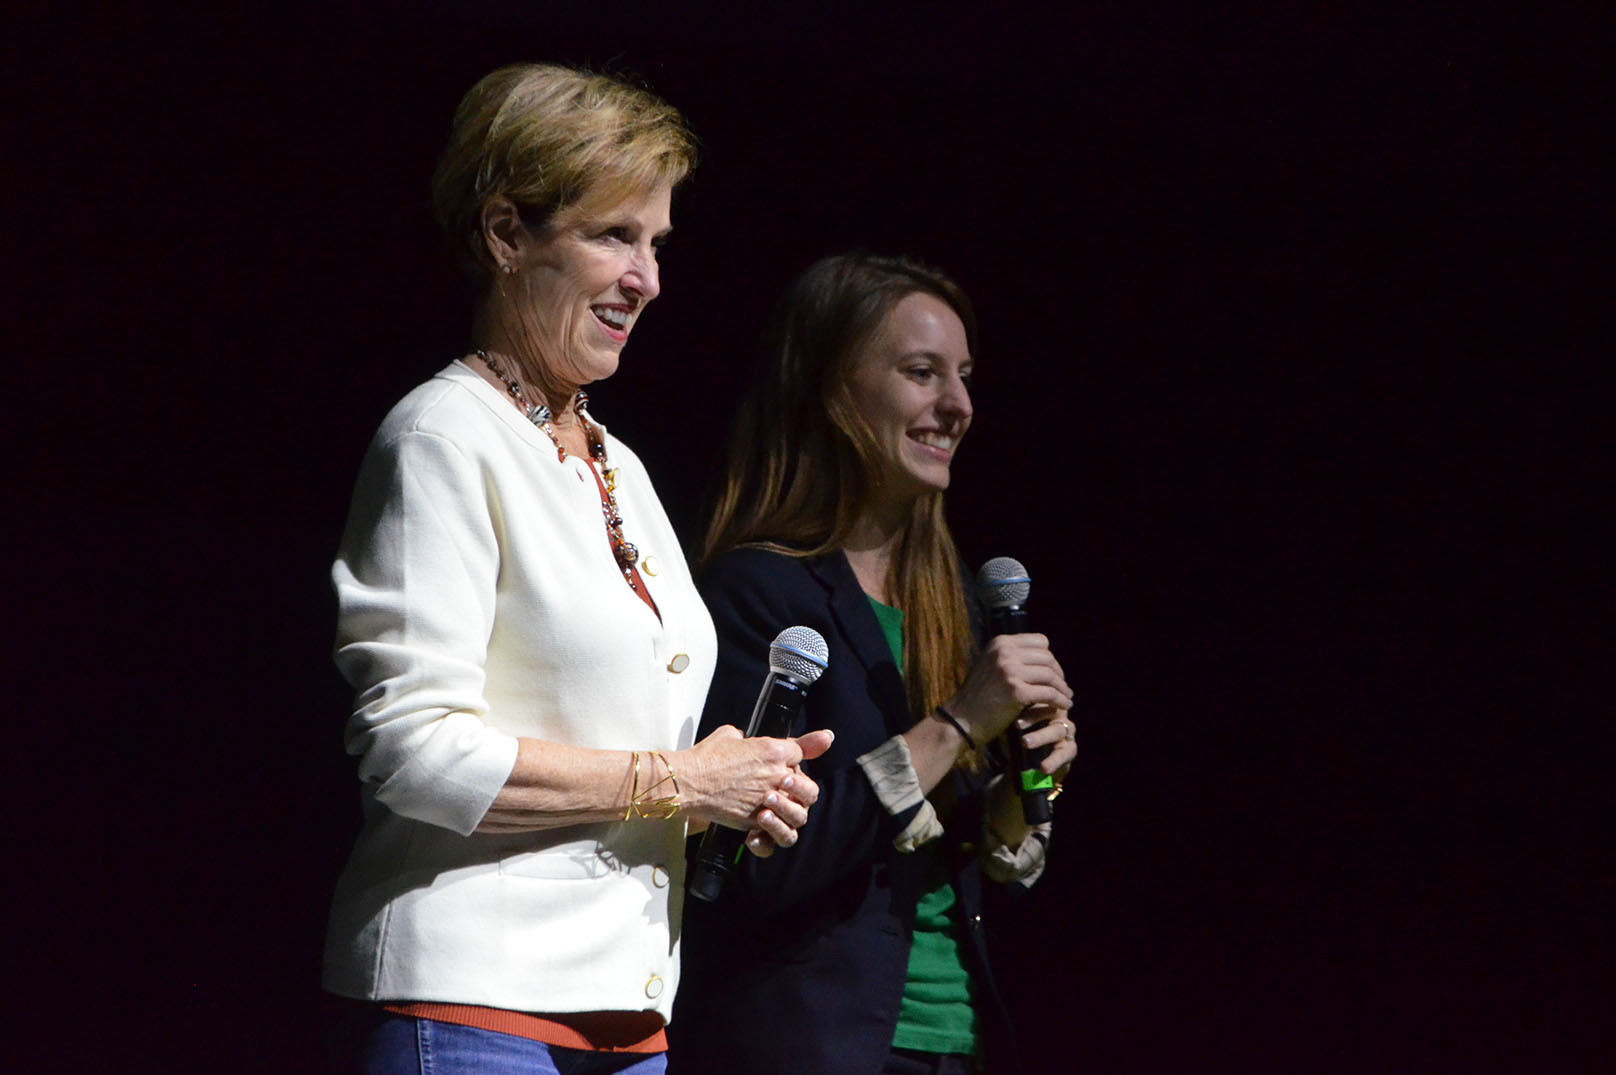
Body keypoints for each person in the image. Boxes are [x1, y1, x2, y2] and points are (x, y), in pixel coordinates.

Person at [320, 63, 831, 1074]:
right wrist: (678, 780)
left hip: (627, 1019)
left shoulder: (618, 463)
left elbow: (625, 736)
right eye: (613, 235)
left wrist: (734, 788)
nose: (648, 278)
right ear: (506, 234)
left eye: (656, 243)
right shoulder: (441, 437)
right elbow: (412, 748)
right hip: (474, 1012)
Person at [668, 253, 1078, 1075]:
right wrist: (958, 720)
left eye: (963, 376)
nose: (957, 404)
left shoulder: (954, 606)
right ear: (833, 389)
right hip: (813, 1046)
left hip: (955, 1042)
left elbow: (977, 862)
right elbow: (764, 868)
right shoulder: (759, 593)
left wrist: (1021, 786)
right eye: (922, 373)